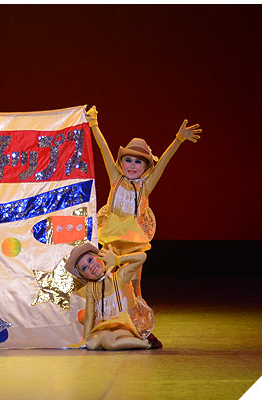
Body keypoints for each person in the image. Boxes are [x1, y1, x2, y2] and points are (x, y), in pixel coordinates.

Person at [84, 105, 202, 299]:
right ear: (120, 163)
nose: (132, 165)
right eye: (128, 160)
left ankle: (138, 319)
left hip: (133, 237)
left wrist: (178, 139)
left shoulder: (145, 186)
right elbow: (103, 149)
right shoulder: (116, 177)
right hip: (112, 234)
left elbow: (164, 161)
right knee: (106, 276)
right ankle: (106, 314)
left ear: (146, 166)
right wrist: (94, 125)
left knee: (134, 284)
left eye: (138, 161)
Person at [65, 242, 160, 350]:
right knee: (91, 343)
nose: (90, 266)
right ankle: (114, 340)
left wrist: (118, 260)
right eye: (84, 268)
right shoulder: (91, 288)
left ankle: (148, 343)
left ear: (100, 257)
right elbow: (89, 315)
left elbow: (142, 257)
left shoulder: (120, 276)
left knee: (110, 342)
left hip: (126, 325)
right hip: (106, 326)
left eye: (90, 260)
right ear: (83, 275)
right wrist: (86, 338)